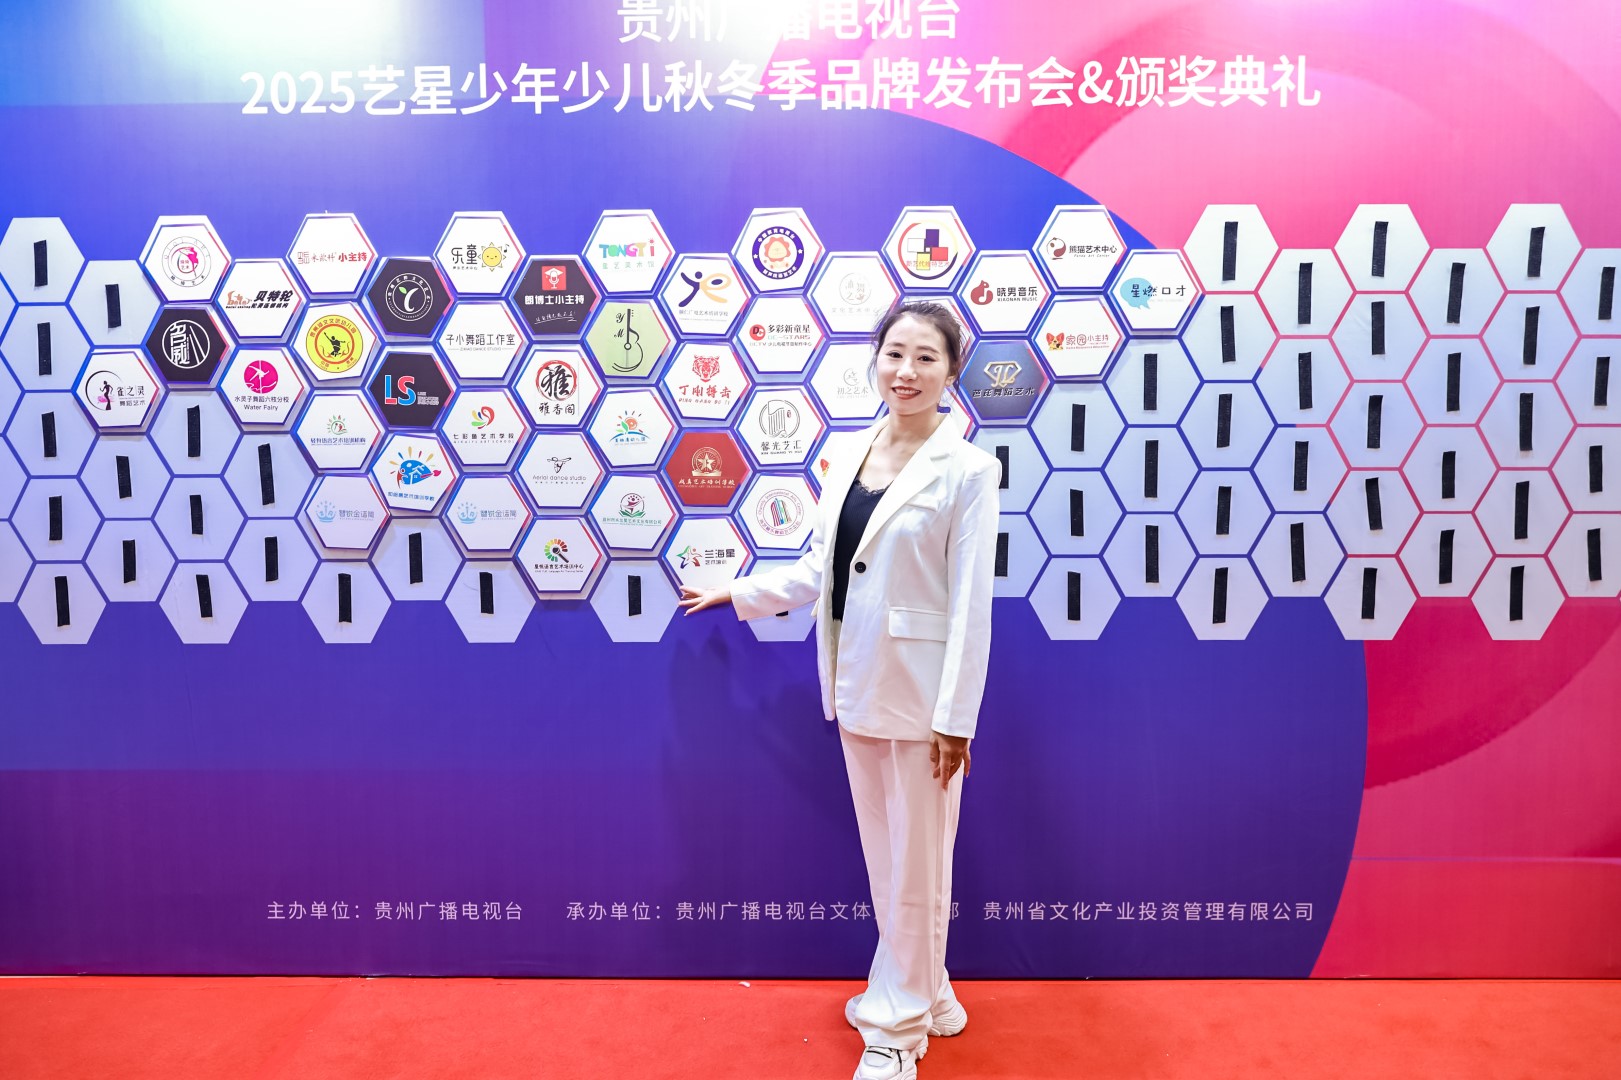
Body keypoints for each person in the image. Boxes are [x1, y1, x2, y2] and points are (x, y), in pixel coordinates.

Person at [678, 301, 1001, 1080]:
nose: (906, 371)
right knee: (890, 862)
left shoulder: (967, 470)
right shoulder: (851, 450)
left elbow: (970, 604)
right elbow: (820, 569)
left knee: (918, 864)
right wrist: (739, 592)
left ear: (951, 372)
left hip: (922, 702)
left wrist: (955, 718)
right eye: (895, 353)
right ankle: (931, 991)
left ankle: (895, 1031)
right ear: (875, 359)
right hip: (857, 685)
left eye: (926, 357)